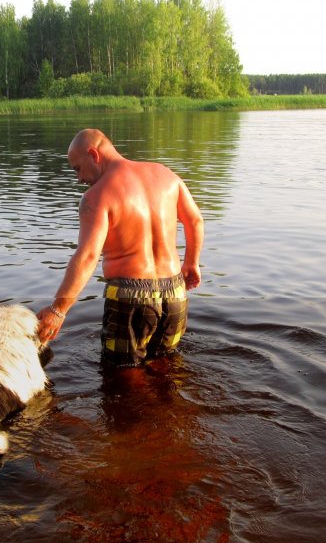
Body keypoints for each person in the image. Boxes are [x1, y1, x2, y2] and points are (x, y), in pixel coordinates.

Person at [37, 128, 204, 366]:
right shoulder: (165, 175)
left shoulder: (97, 196)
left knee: (123, 379)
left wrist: (58, 309)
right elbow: (195, 220)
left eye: (78, 168)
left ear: (94, 154)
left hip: (130, 298)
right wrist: (191, 262)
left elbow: (88, 256)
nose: (79, 179)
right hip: (176, 291)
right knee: (166, 368)